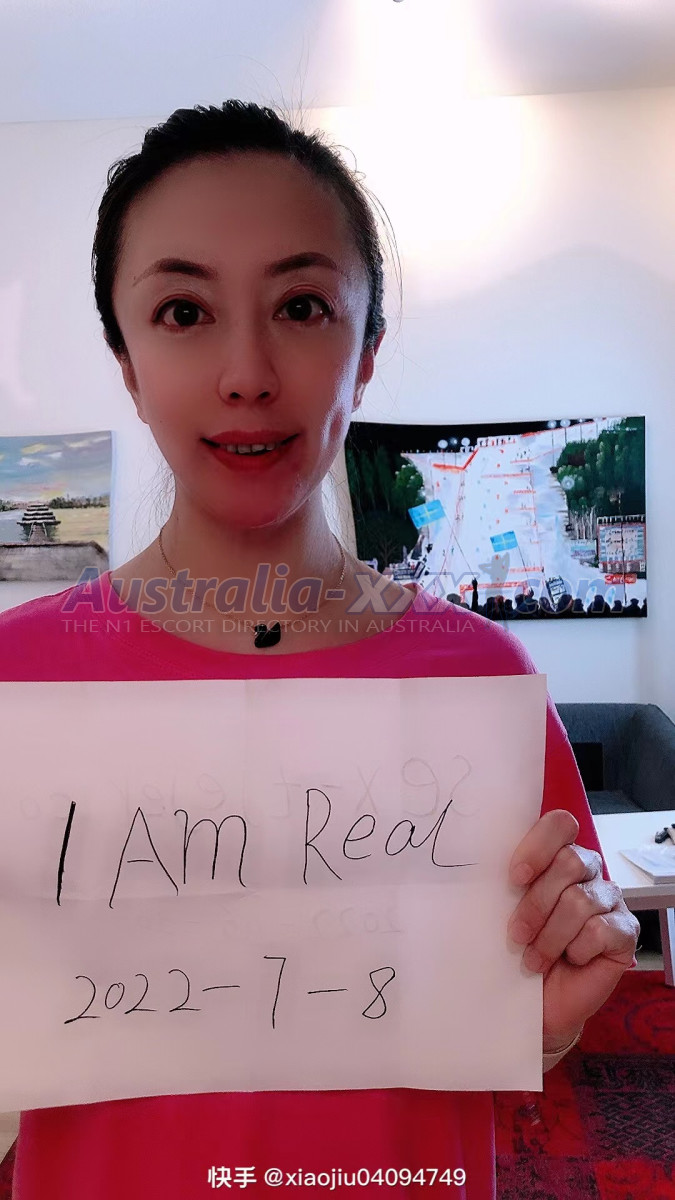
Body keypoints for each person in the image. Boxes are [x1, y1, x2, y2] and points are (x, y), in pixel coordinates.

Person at [0, 100, 638, 1199]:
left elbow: (525, 1029)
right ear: (127, 362)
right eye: (183, 311)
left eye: (301, 306)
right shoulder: (17, 681)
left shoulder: (478, 680)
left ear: (366, 350)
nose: (247, 372)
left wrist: (545, 1013)